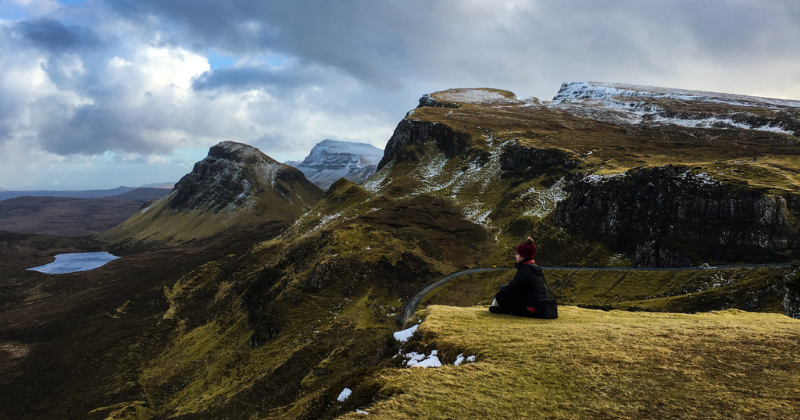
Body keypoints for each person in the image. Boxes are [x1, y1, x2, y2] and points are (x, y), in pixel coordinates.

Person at [489, 237, 546, 317]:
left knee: (500, 295)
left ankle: (504, 309)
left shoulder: (524, 272)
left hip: (529, 309)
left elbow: (510, 289)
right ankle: (505, 309)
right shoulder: (536, 269)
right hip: (538, 306)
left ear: (523, 257)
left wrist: (502, 288)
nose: (515, 256)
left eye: (517, 254)